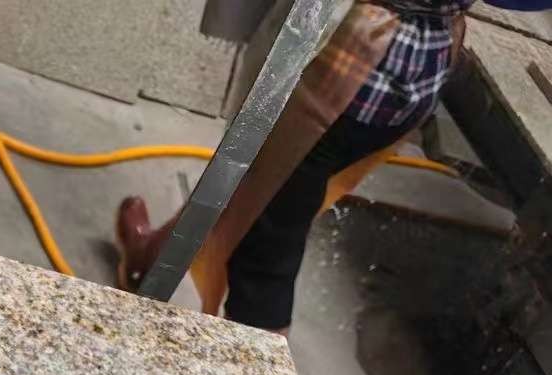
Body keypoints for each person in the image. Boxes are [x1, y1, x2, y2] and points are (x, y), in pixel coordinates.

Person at [114, 0, 546, 332]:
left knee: (264, 255)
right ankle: (152, 258)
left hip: (346, 73)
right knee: (262, 183)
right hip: (413, 70)